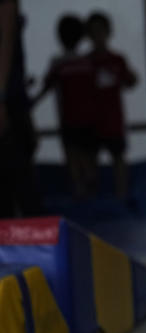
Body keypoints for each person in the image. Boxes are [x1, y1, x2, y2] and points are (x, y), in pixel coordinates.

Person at [32, 14, 98, 198]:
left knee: (75, 157)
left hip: (72, 119)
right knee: (85, 157)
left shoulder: (62, 63)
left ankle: (82, 191)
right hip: (86, 119)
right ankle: (87, 191)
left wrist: (30, 103)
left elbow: (46, 87)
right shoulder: (86, 63)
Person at [0, 0, 43, 218]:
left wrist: (0, 95)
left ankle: (38, 246)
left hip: (8, 97)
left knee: (17, 173)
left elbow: (6, 31)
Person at [85, 11, 137, 202]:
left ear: (108, 32)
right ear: (88, 34)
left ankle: (122, 197)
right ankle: (91, 201)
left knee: (118, 158)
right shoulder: (85, 62)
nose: (98, 35)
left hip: (113, 120)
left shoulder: (117, 60)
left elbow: (131, 81)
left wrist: (130, 77)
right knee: (90, 161)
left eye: (101, 30)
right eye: (93, 31)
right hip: (92, 121)